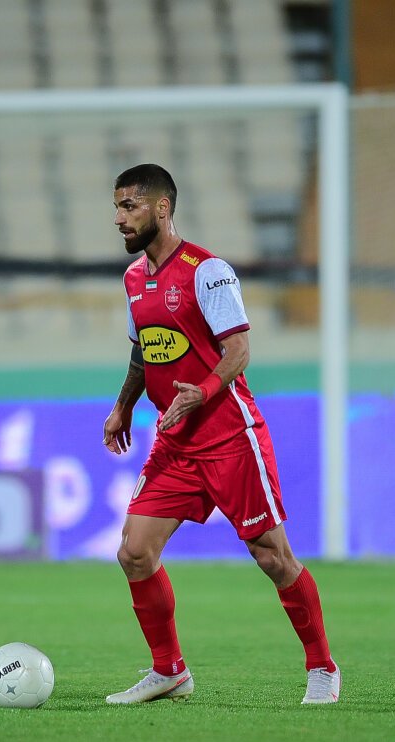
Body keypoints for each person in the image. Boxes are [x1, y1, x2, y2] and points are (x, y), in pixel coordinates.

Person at [101, 163, 339, 705]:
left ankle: (322, 667)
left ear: (162, 208)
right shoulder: (133, 279)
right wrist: (122, 407)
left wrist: (200, 393)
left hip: (230, 436)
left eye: (129, 206)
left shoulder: (207, 272)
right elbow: (143, 352)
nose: (119, 218)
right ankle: (170, 671)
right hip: (176, 444)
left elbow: (238, 351)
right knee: (134, 552)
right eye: (116, 207)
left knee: (272, 557)